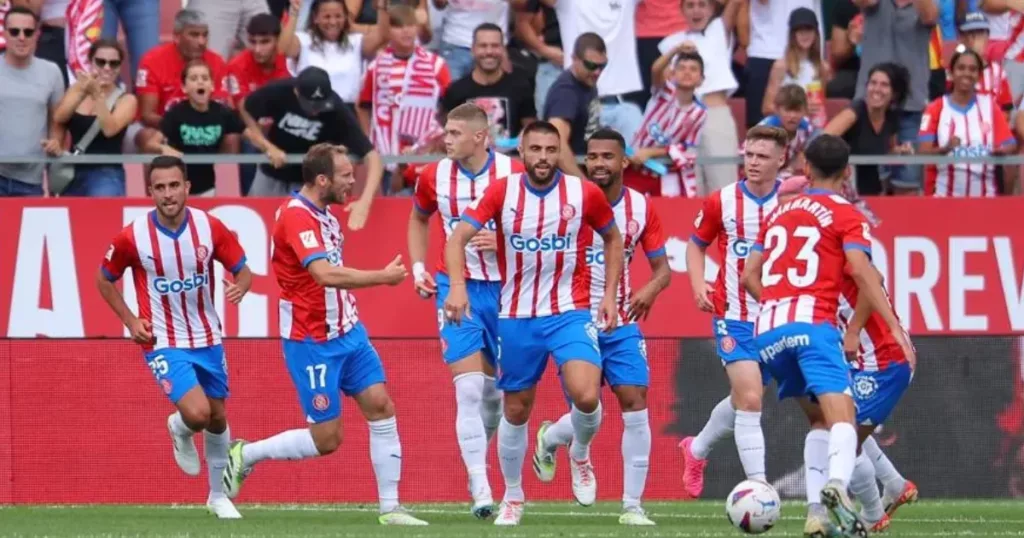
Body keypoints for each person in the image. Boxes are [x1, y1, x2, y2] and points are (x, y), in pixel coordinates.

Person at [220, 143, 427, 526]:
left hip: (348, 331)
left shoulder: (325, 214)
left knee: (381, 406)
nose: (353, 180)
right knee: (327, 439)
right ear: (322, 180)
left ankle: (390, 508)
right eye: (346, 174)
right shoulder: (297, 218)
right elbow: (325, 275)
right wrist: (382, 277)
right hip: (311, 338)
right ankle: (245, 454)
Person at [443, 121, 625, 526]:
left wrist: (609, 294)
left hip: (570, 310)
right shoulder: (502, 192)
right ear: (521, 153)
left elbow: (614, 238)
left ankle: (578, 453)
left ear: (560, 152)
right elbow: (456, 239)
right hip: (517, 315)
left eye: (551, 149)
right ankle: (513, 496)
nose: (543, 157)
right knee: (517, 408)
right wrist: (458, 288)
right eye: (535, 149)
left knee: (587, 396)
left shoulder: (583, 193)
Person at [740, 133, 914, 536]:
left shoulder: (776, 214)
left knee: (820, 421)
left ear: (804, 168)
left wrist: (778, 304)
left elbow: (750, 274)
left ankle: (820, 513)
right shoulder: (847, 215)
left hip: (768, 329)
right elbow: (863, 271)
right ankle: (840, 490)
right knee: (843, 423)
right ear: (847, 173)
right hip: (821, 330)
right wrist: (888, 324)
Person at [95, 155, 253, 519]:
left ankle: (217, 497)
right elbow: (103, 278)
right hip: (163, 338)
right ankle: (178, 426)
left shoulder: (209, 227)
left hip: (207, 336)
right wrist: (131, 320)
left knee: (217, 418)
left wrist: (241, 287)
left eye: (174, 185)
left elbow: (244, 270)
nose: (168, 194)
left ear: (187, 187)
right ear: (150, 191)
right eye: (160, 187)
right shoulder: (132, 236)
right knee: (197, 414)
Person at [533, 129, 670, 527]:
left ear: (624, 162)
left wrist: (649, 288)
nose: (599, 164)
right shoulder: (567, 200)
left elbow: (663, 270)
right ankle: (573, 449)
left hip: (622, 319)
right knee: (588, 404)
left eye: (608, 157)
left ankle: (631, 505)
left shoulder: (642, 208)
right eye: (592, 157)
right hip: (573, 316)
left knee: (635, 400)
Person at [406, 103, 525, 518]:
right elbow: (419, 219)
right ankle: (479, 484)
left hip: (511, 291)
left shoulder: (514, 174)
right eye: (446, 131)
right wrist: (420, 268)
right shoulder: (434, 175)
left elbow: (540, 227)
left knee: (497, 393)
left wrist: (507, 243)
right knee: (468, 388)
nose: (446, 138)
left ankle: (484, 460)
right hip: (457, 289)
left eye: (455, 133)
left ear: (480, 137)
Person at [679, 125, 787, 499]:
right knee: (752, 400)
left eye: (762, 156)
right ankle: (759, 490)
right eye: (749, 155)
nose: (753, 163)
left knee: (744, 398)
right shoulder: (722, 200)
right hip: (733, 313)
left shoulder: (790, 202)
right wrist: (697, 284)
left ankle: (696, 449)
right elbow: (695, 246)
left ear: (780, 160)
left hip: (777, 317)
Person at [241, 66, 383, 229]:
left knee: (300, 231)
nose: (315, 111)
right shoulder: (279, 91)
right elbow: (246, 108)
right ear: (296, 93)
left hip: (307, 183)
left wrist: (364, 203)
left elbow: (372, 157)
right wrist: (266, 146)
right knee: (256, 226)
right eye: (310, 105)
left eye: (320, 105)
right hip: (270, 173)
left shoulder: (336, 109)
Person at [919, 46, 1017, 196]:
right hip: (944, 197)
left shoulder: (990, 106)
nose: (967, 73)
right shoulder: (935, 108)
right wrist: (945, 149)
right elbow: (923, 152)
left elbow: (1010, 144)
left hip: (986, 197)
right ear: (951, 73)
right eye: (961, 68)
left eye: (972, 69)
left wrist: (1000, 151)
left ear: (978, 76)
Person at [143, 60, 244, 197]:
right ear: (184, 88)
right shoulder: (176, 113)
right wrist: (164, 148)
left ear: (212, 85)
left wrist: (269, 148)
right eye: (194, 78)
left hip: (208, 188)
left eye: (205, 78)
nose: (200, 82)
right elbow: (151, 143)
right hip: (177, 188)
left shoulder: (223, 113)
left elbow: (250, 133)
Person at [134, 9, 230, 152]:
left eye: (205, 35)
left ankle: (226, 174)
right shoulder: (152, 61)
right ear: (177, 36)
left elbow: (221, 108)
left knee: (232, 137)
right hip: (165, 127)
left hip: (207, 128)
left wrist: (196, 128)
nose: (202, 42)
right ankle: (159, 174)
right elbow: (147, 115)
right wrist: (181, 126)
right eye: (194, 35)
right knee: (147, 135)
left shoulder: (217, 62)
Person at [51, 38, 137, 197]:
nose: (107, 68)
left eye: (114, 64)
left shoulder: (127, 100)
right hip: (72, 170)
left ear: (120, 67)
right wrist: (82, 91)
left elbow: (109, 129)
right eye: (101, 62)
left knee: (102, 219)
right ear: (91, 62)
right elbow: (60, 117)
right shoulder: (77, 89)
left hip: (106, 173)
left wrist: (98, 95)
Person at [0, 6, 65, 197]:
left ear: (37, 34)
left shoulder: (52, 72)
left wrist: (55, 143)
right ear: (4, 33)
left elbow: (57, 121)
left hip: (31, 181)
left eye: (28, 32)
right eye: (15, 31)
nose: (22, 37)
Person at [226, 13, 292, 196]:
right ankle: (250, 199)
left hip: (286, 126)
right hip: (253, 130)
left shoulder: (290, 63)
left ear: (278, 40)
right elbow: (244, 112)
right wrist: (266, 145)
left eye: (264, 42)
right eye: (252, 42)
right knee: (249, 146)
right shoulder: (237, 66)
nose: (257, 49)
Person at [625, 49, 707, 198]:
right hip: (634, 166)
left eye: (693, 69)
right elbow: (656, 69)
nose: (687, 72)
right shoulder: (664, 92)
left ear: (701, 80)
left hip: (663, 174)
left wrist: (651, 152)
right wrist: (677, 48)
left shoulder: (699, 114)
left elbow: (687, 149)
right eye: (681, 68)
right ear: (672, 74)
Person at [280, 0, 389, 107]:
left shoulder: (356, 42)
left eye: (338, 16)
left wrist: (382, 7)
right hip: (312, 110)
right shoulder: (303, 40)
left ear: (345, 17)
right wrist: (294, 13)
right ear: (315, 18)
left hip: (347, 112)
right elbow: (283, 49)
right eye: (327, 17)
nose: (333, 22)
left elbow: (383, 36)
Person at [441, 23, 536, 144]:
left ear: (503, 49)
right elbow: (447, 135)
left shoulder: (520, 86)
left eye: (495, 46)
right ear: (473, 50)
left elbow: (531, 130)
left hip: (510, 160)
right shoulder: (456, 90)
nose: (489, 51)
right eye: (483, 46)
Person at [824, 62, 910, 196]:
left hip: (873, 189)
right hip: (845, 189)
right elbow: (822, 140)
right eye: (873, 83)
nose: (876, 89)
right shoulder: (854, 113)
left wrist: (901, 151)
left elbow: (888, 150)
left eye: (884, 85)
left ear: (894, 93)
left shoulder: (892, 117)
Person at [544, 32, 604, 178]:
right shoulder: (566, 93)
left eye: (602, 65)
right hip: (568, 179)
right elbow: (557, 144)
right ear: (574, 59)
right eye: (591, 65)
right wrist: (582, 184)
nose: (597, 72)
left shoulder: (587, 80)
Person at [761, 8, 830, 130]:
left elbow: (820, 106)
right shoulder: (781, 66)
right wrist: (799, 110)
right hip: (783, 128)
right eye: (800, 30)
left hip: (811, 127)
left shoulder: (823, 67)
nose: (805, 35)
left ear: (816, 33)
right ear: (793, 35)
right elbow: (767, 107)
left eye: (809, 29)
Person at [756, 84, 816, 179]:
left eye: (797, 111)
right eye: (788, 110)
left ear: (805, 110)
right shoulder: (765, 130)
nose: (792, 116)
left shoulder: (807, 128)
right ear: (777, 110)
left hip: (785, 174)